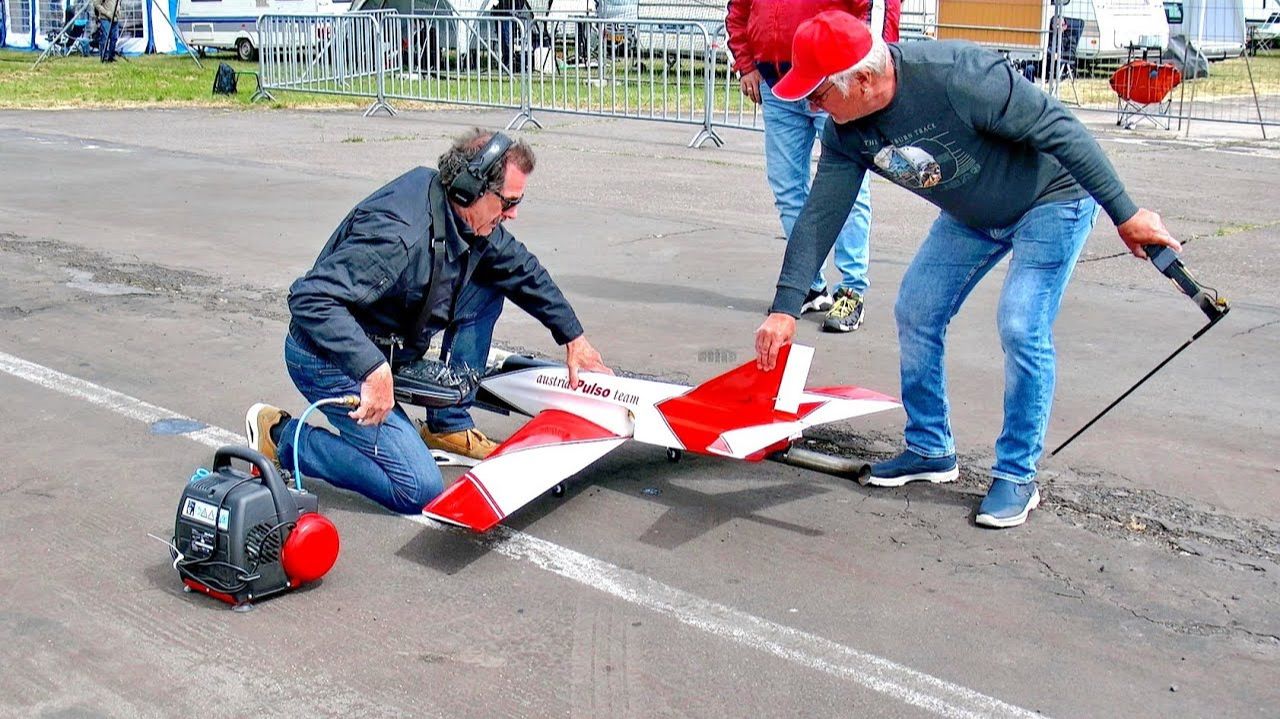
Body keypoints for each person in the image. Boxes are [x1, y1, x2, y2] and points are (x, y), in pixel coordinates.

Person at [753, 12, 1180, 528]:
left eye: (818, 95)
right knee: (915, 309)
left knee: (1021, 323)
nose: (810, 106)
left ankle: (1017, 475)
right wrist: (784, 306)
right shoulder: (846, 130)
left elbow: (1061, 128)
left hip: (1051, 199)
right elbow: (821, 214)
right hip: (973, 214)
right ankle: (931, 448)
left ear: (862, 79)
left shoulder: (960, 74)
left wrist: (1126, 213)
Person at [247, 129, 612, 514]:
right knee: (416, 488)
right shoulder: (398, 236)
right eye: (508, 202)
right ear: (470, 190)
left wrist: (574, 337)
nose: (513, 214)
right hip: (326, 355)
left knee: (489, 284)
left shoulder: (465, 218)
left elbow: (521, 269)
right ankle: (283, 437)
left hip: (387, 342)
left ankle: (447, 426)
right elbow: (310, 299)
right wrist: (371, 369)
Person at [726, 0, 900, 334]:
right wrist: (746, 64)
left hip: (831, 78)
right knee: (787, 188)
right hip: (776, 83)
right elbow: (738, 9)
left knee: (848, 188)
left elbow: (877, 8)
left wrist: (870, 69)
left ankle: (851, 288)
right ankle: (809, 283)